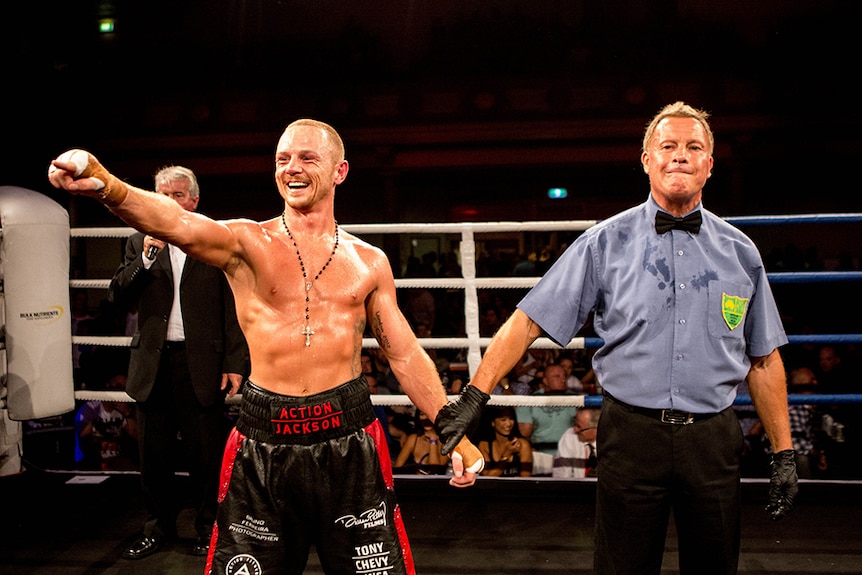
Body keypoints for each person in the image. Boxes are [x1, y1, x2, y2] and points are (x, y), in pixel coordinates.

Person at [49, 118, 484, 575]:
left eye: (306, 158)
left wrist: (449, 427)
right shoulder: (246, 242)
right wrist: (107, 185)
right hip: (264, 439)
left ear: (340, 171)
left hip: (349, 439)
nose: (291, 169)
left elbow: (402, 351)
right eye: (282, 159)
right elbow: (175, 221)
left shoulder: (369, 262)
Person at [438, 102, 798, 574]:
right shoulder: (604, 242)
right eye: (667, 146)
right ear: (647, 159)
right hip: (631, 434)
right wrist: (474, 396)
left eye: (694, 147)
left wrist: (784, 452)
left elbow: (764, 358)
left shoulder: (740, 252)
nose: (680, 156)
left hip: (712, 438)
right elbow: (528, 320)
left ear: (710, 164)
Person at [105, 165, 251, 560]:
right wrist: (147, 258)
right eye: (162, 194)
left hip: (201, 362)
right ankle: (157, 528)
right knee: (153, 457)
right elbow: (117, 295)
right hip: (153, 364)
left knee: (205, 454)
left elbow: (235, 307)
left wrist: (236, 362)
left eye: (178, 195)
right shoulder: (139, 241)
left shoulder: (214, 240)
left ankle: (207, 527)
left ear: (194, 200)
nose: (170, 202)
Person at [478, 406, 533, 477]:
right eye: (503, 420)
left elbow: (525, 478)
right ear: (493, 422)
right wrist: (506, 455)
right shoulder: (484, 445)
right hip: (492, 487)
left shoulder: (523, 444)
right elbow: (487, 478)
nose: (509, 424)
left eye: (511, 419)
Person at [553, 406, 599, 478]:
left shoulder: (610, 441)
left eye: (579, 427)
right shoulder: (569, 436)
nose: (575, 430)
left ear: (595, 430)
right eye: (575, 424)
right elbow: (561, 476)